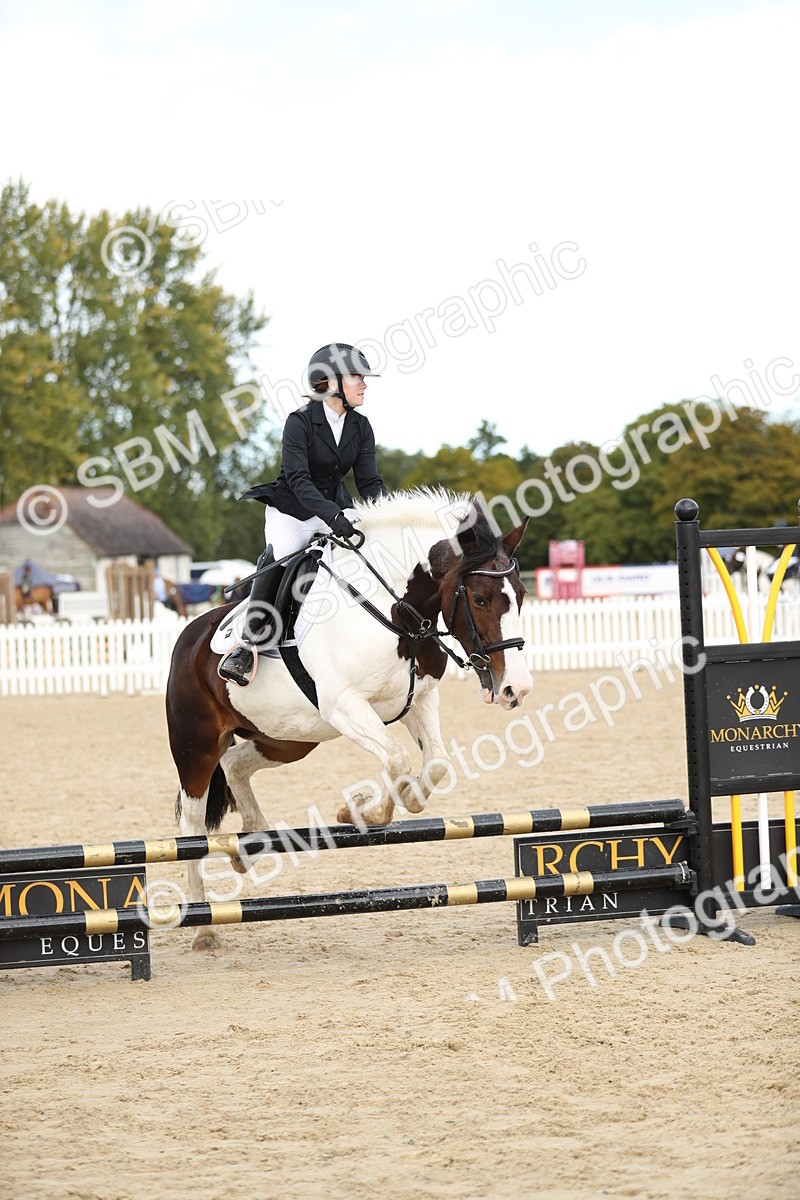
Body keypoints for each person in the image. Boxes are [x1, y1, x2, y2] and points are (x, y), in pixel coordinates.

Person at [218, 343, 389, 686]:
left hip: (337, 506)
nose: (365, 385)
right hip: (293, 509)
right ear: (331, 382)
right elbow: (298, 479)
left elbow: (369, 481)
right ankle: (247, 645)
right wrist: (333, 517)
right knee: (282, 556)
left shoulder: (361, 426)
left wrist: (390, 517)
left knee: (369, 551)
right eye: (357, 377)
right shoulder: (299, 422)